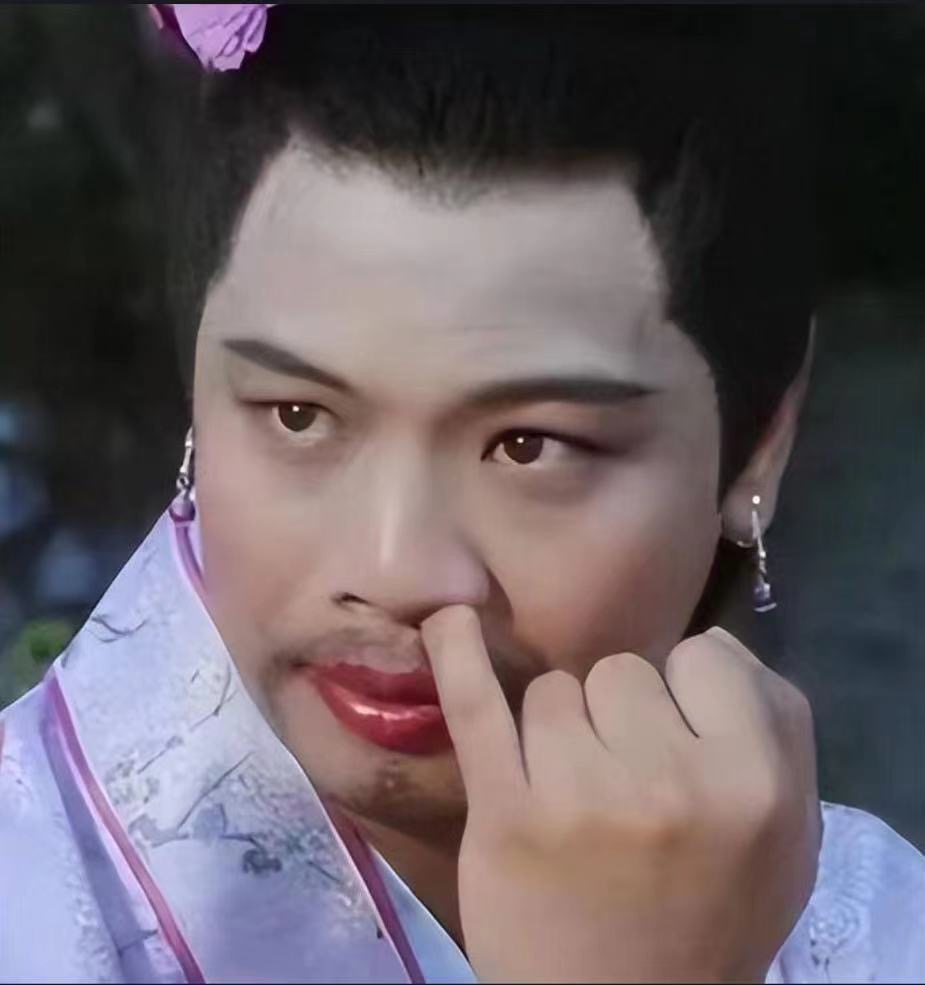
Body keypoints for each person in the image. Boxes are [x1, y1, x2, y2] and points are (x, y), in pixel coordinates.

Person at [2, 6, 922, 982]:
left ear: (759, 447)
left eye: (530, 445)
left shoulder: (879, 933)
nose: (395, 568)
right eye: (298, 416)